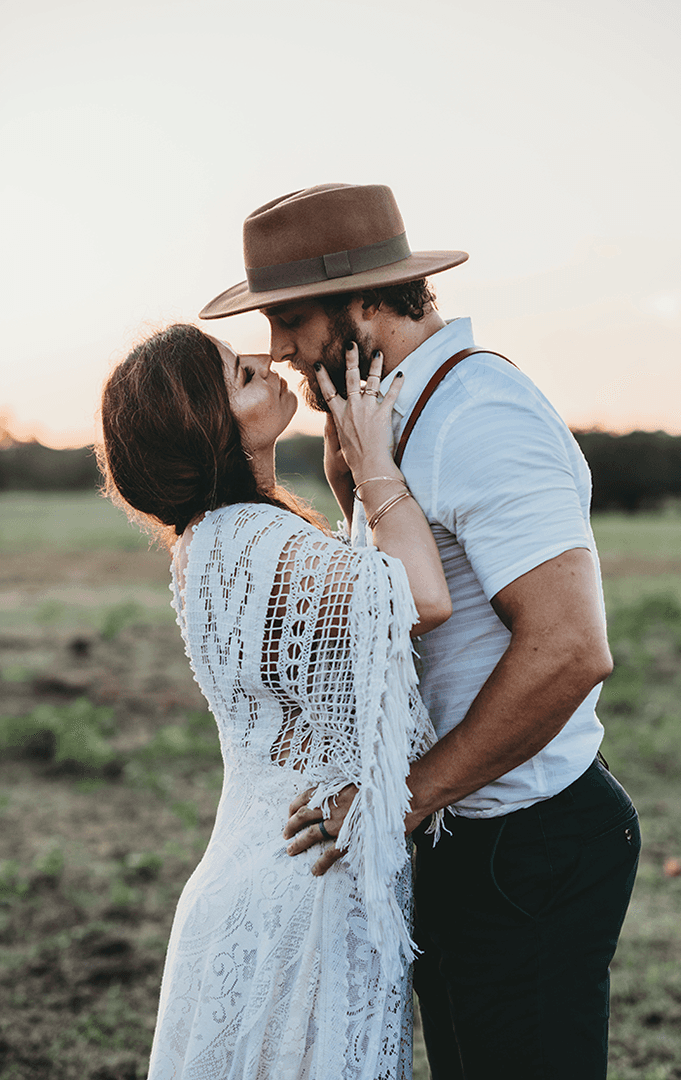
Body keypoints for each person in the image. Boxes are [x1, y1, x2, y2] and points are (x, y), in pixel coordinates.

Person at [199, 182, 642, 1080]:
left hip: (528, 843)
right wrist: (351, 483)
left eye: (291, 318)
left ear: (367, 299)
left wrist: (400, 799)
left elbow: (570, 648)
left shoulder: (479, 413)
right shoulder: (392, 418)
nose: (277, 348)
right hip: (459, 829)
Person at [98, 323, 453, 1080]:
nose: (264, 361)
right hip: (304, 883)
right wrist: (376, 463)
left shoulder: (214, 539)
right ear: (211, 426)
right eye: (238, 374)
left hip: (262, 869)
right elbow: (421, 596)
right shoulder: (257, 540)